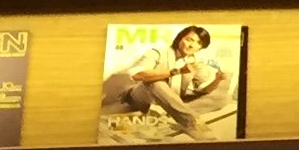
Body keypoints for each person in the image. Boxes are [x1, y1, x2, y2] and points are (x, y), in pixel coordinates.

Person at [101, 25, 238, 140]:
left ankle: (167, 112)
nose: (192, 45)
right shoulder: (158, 52)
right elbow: (137, 75)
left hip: (170, 100)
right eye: (189, 39)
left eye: (198, 43)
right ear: (180, 38)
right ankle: (191, 122)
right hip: (140, 97)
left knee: (223, 98)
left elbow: (202, 91)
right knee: (156, 82)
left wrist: (217, 80)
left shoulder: (195, 62)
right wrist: (177, 71)